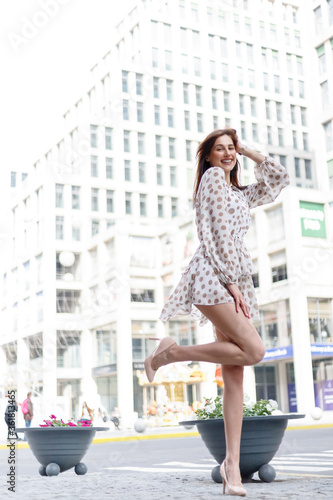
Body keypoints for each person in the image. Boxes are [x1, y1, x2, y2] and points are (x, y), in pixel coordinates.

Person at [145, 128, 290, 497]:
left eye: (231, 149)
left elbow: (279, 179)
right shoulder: (212, 179)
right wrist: (232, 285)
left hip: (232, 277)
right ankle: (171, 353)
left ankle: (232, 468)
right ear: (208, 157)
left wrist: (249, 151)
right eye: (220, 149)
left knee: (235, 377)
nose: (227, 154)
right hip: (215, 275)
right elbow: (218, 238)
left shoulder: (239, 192)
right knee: (255, 351)